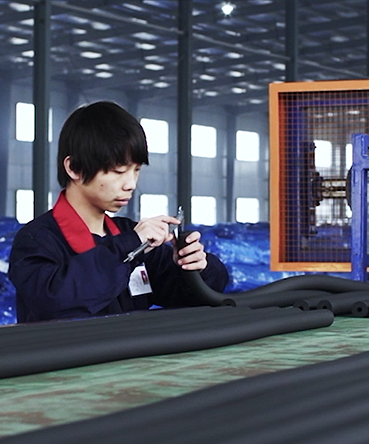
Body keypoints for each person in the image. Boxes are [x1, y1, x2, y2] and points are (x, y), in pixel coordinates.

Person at [9, 101, 229, 323]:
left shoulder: (130, 235)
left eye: (136, 170)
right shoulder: (37, 241)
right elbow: (56, 301)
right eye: (119, 171)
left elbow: (192, 294)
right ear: (74, 168)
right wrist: (128, 246)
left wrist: (196, 267)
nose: (131, 184)